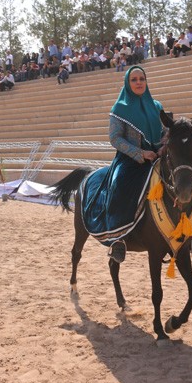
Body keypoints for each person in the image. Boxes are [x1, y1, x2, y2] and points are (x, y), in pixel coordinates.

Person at [81, 66, 163, 263]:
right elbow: (115, 138)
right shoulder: (119, 108)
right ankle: (117, 238)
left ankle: (187, 232)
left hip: (157, 155)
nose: (138, 82)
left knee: (180, 179)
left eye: (141, 78)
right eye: (134, 79)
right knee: (118, 186)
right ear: (128, 83)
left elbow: (166, 131)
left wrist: (162, 147)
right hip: (129, 160)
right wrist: (140, 153)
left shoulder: (157, 106)